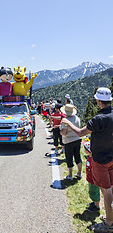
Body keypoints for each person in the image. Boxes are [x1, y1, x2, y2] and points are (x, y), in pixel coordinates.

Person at [61, 87, 113, 232]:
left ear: (98, 101)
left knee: (106, 190)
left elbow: (80, 133)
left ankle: (109, 223)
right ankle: (110, 215)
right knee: (110, 188)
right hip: (111, 157)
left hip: (100, 160)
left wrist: (68, 123)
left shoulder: (98, 119)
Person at [60, 104, 82, 180]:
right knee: (77, 156)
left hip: (68, 141)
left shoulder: (65, 121)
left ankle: (70, 175)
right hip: (77, 139)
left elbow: (63, 133)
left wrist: (60, 132)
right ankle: (79, 173)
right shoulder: (77, 118)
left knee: (69, 158)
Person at [82, 140, 100, 212]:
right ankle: (94, 202)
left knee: (94, 192)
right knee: (92, 192)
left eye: (85, 149)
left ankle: (97, 206)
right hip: (90, 179)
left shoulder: (93, 160)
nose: (84, 150)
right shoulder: (90, 158)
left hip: (94, 180)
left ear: (89, 151)